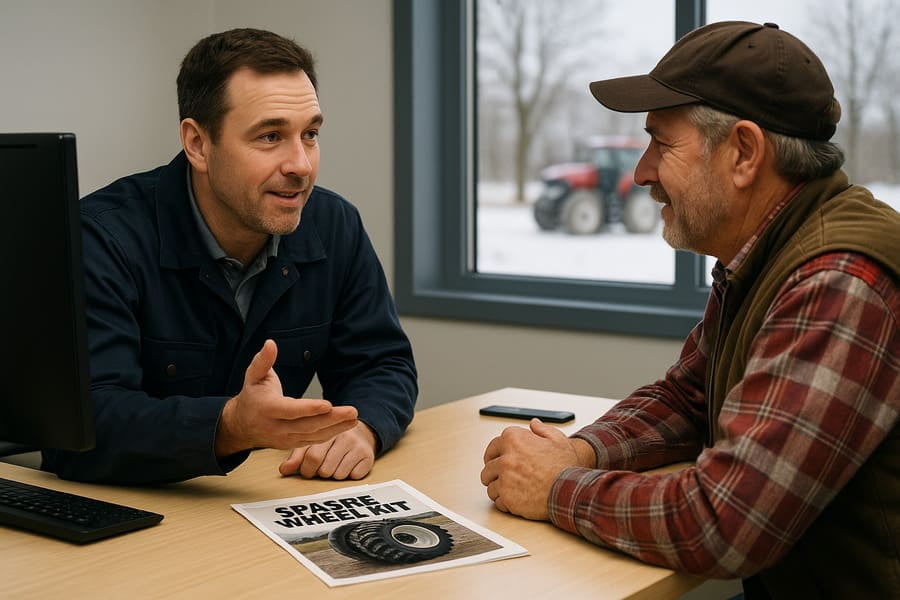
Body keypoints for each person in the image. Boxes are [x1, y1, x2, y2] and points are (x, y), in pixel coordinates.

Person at [480, 21, 899, 598]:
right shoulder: (767, 253)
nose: (640, 172)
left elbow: (725, 522)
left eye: (662, 143)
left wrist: (557, 488)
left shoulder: (838, 282)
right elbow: (688, 398)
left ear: (745, 153)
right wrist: (578, 451)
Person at [42, 28, 417, 485]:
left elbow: (382, 363)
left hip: (256, 501)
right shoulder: (100, 238)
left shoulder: (335, 224)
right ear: (198, 144)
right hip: (131, 513)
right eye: (270, 136)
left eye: (311, 134)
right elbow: (85, 427)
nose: (301, 164)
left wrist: (363, 429)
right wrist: (228, 426)